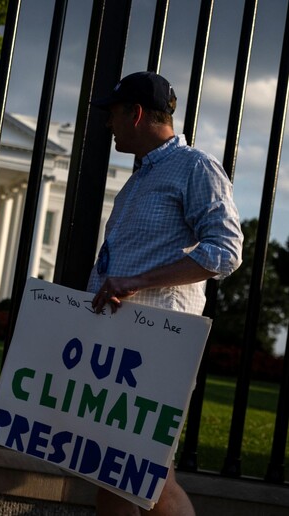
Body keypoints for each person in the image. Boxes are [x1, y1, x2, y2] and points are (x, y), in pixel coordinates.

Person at [88, 71, 243, 515]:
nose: (108, 124)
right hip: (121, 343)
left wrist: (136, 282)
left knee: (148, 475)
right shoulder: (142, 177)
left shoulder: (195, 167)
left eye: (113, 114)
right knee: (113, 471)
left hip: (157, 344)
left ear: (136, 113)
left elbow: (225, 251)